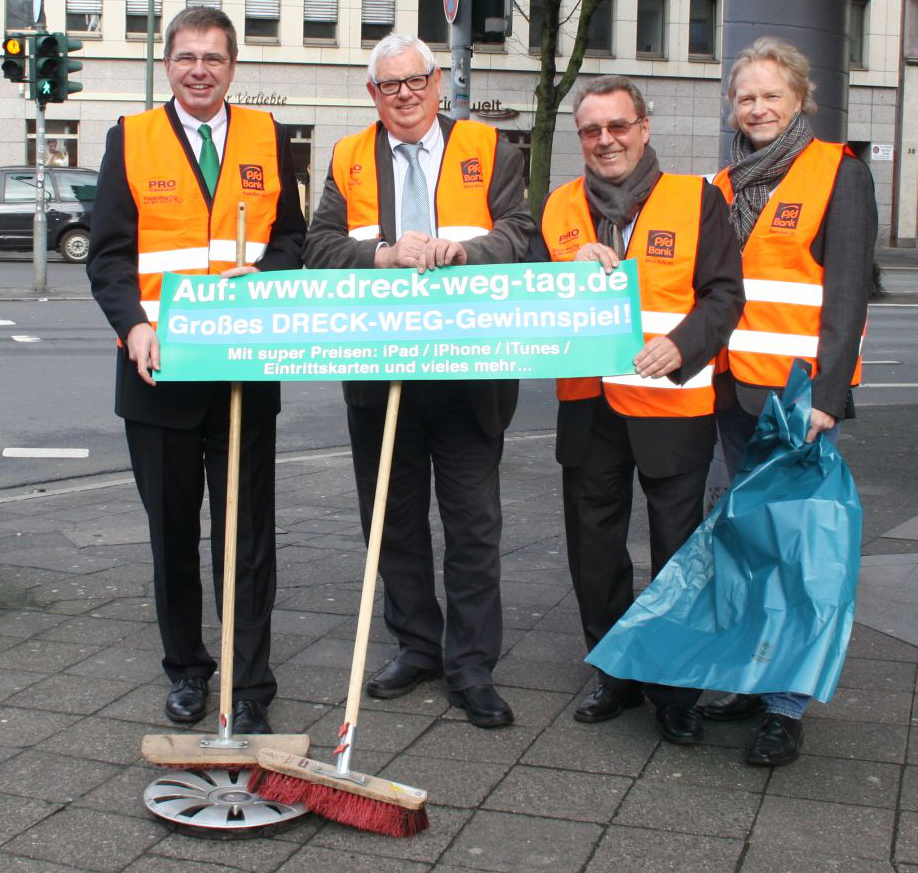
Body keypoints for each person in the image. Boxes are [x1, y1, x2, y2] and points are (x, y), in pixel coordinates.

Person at [304, 34, 533, 728]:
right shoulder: (347, 158)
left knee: (473, 526)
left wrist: (465, 250)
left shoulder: (493, 150)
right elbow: (316, 248)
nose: (404, 95)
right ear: (372, 95)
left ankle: (470, 665)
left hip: (469, 373)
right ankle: (416, 646)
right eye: (389, 86)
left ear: (438, 84)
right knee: (392, 523)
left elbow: (524, 234)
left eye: (415, 81)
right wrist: (380, 254)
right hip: (380, 373)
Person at [87, 7, 305, 734]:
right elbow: (109, 256)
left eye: (214, 57)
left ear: (233, 66)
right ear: (170, 63)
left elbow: (291, 243)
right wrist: (134, 325)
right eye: (187, 58)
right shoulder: (132, 138)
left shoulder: (268, 138)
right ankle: (186, 671)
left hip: (243, 373)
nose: (200, 70)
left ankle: (250, 684)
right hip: (158, 377)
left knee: (246, 540)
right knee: (173, 537)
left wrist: (261, 276)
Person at [530, 75, 744, 745]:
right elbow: (533, 298)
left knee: (677, 553)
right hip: (587, 404)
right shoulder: (559, 206)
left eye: (617, 126)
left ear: (644, 128)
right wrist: (563, 275)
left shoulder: (696, 198)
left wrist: (681, 347)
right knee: (594, 549)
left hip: (671, 403)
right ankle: (614, 671)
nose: (605, 140)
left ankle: (675, 690)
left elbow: (723, 296)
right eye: (591, 130)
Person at [702, 37, 876, 766]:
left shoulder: (839, 172)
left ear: (800, 99)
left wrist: (829, 397)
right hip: (733, 390)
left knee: (799, 554)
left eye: (772, 94)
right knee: (750, 545)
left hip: (798, 400)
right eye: (746, 97)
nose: (758, 107)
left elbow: (845, 294)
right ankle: (751, 677)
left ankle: (785, 707)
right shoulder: (722, 182)